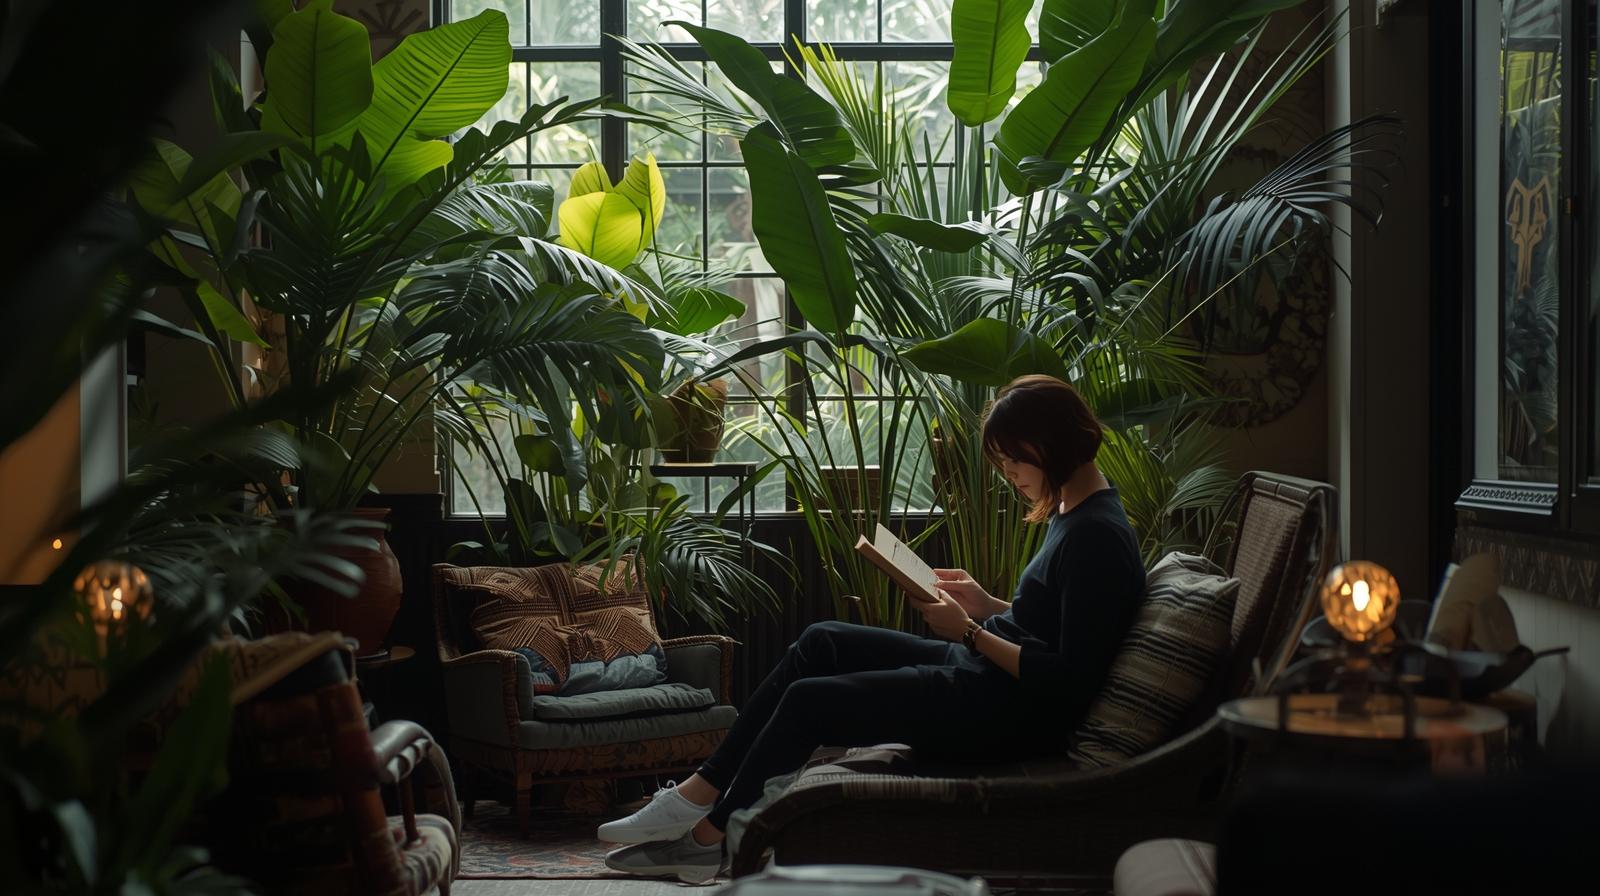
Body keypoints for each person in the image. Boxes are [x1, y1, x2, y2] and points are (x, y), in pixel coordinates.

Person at [598, 374, 1147, 882]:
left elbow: (1068, 678)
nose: (1008, 474)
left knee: (811, 702)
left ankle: (706, 840)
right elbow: (1057, 623)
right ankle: (698, 791)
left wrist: (969, 631)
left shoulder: (1096, 536)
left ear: (1048, 444)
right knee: (822, 640)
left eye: (1012, 460)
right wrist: (985, 604)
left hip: (1007, 711)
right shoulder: (1074, 510)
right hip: (987, 674)